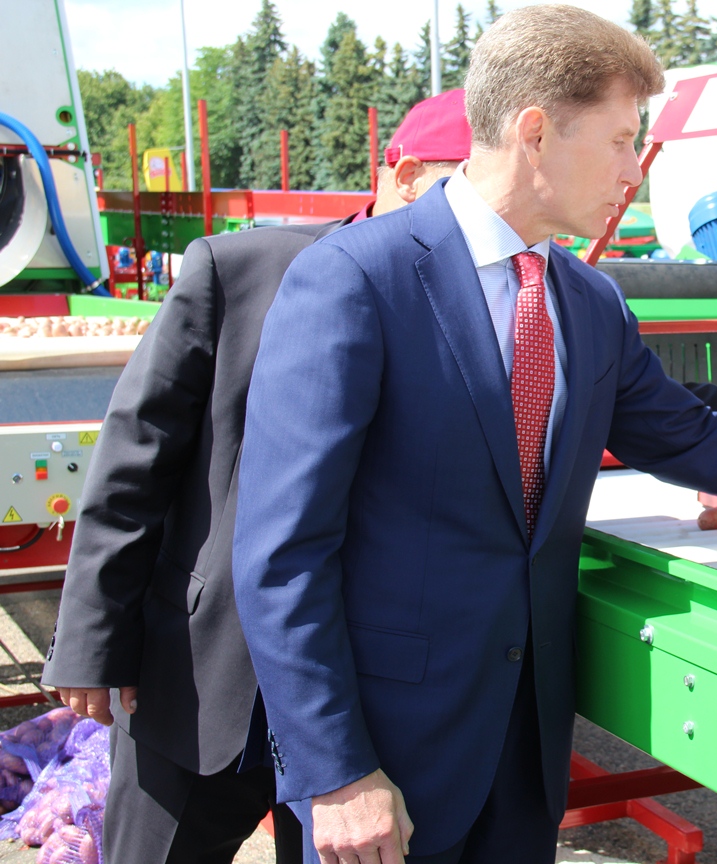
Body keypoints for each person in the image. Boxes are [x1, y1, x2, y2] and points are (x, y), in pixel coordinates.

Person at [231, 8, 717, 863]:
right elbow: (282, 552)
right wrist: (335, 772)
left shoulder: (588, 303)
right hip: (384, 758)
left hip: (522, 747)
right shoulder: (357, 281)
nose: (633, 172)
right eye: (618, 141)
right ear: (535, 133)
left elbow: (700, 441)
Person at [38, 91, 473, 864]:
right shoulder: (242, 273)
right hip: (206, 679)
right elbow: (136, 461)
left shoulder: (488, 311)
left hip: (366, 712)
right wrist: (94, 644)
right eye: (468, 188)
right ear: (405, 175)